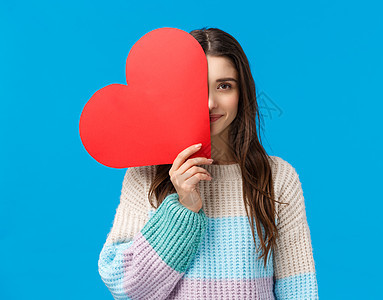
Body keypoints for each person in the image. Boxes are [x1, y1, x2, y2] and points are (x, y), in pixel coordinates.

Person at [98, 27, 319, 299]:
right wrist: (184, 208)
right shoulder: (146, 173)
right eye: (195, 87)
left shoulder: (277, 176)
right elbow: (127, 288)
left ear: (242, 92)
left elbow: (298, 288)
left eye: (224, 86)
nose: (210, 102)